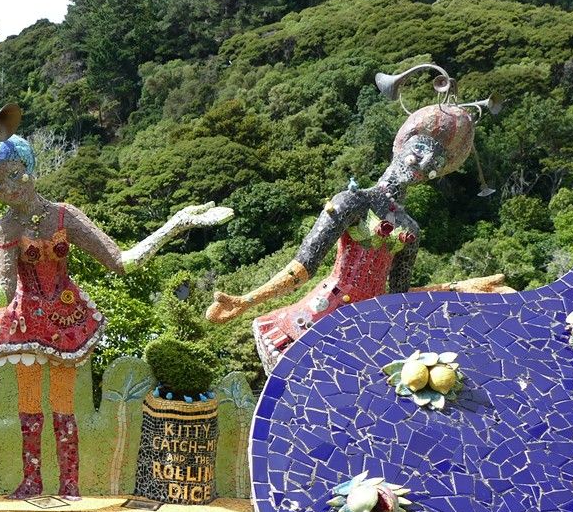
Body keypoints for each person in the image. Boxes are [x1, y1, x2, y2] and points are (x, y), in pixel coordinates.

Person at [0, 105, 232, 500]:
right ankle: (32, 480)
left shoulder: (64, 216)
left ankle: (70, 482)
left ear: (29, 167)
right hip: (25, 322)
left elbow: (122, 262)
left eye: (16, 174)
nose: (11, 187)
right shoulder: (4, 228)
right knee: (28, 407)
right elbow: (0, 293)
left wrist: (176, 224)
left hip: (67, 318)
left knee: (64, 405)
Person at [206, 64, 506, 370]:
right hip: (320, 316)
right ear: (400, 147)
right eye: (420, 151)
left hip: (369, 330)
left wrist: (462, 288)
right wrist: (247, 300)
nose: (424, 163)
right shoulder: (354, 202)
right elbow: (304, 265)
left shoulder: (410, 230)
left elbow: (399, 298)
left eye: (435, 163)